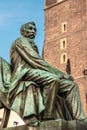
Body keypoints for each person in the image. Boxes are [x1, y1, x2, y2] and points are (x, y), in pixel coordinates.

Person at [0, 21, 86, 126]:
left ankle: (81, 118)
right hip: (24, 72)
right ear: (23, 31)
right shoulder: (20, 41)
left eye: (35, 30)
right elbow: (34, 60)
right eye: (30, 29)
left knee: (71, 85)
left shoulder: (32, 43)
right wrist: (60, 74)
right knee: (53, 79)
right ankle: (47, 115)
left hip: (36, 73)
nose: (33, 32)